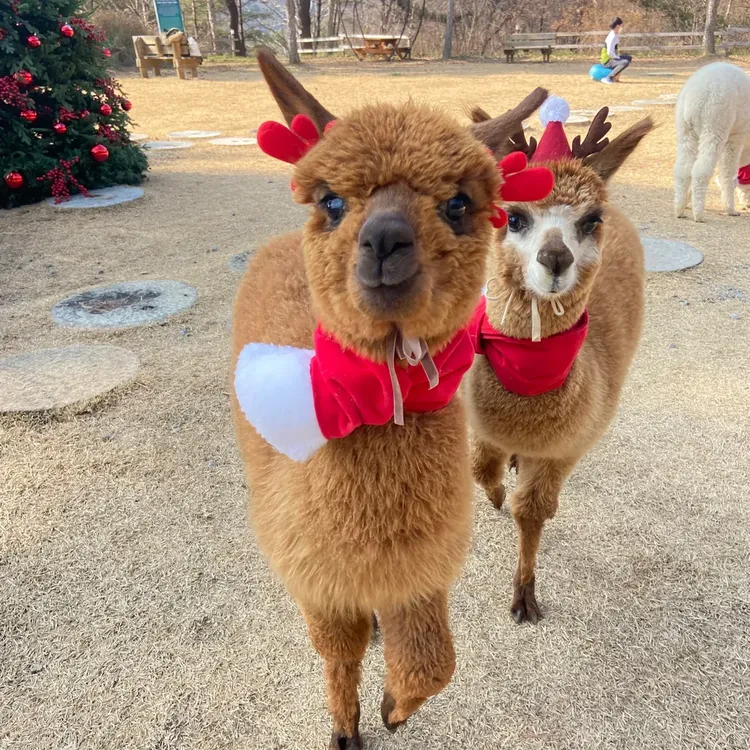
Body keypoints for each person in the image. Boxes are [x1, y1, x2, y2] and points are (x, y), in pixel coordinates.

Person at [600, 17, 632, 84]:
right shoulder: (612, 37)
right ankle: (608, 78)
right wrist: (618, 58)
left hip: (611, 57)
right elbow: (609, 52)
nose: (621, 28)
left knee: (628, 58)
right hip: (607, 61)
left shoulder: (615, 34)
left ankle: (616, 78)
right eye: (621, 26)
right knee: (625, 62)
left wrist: (618, 57)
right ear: (617, 26)